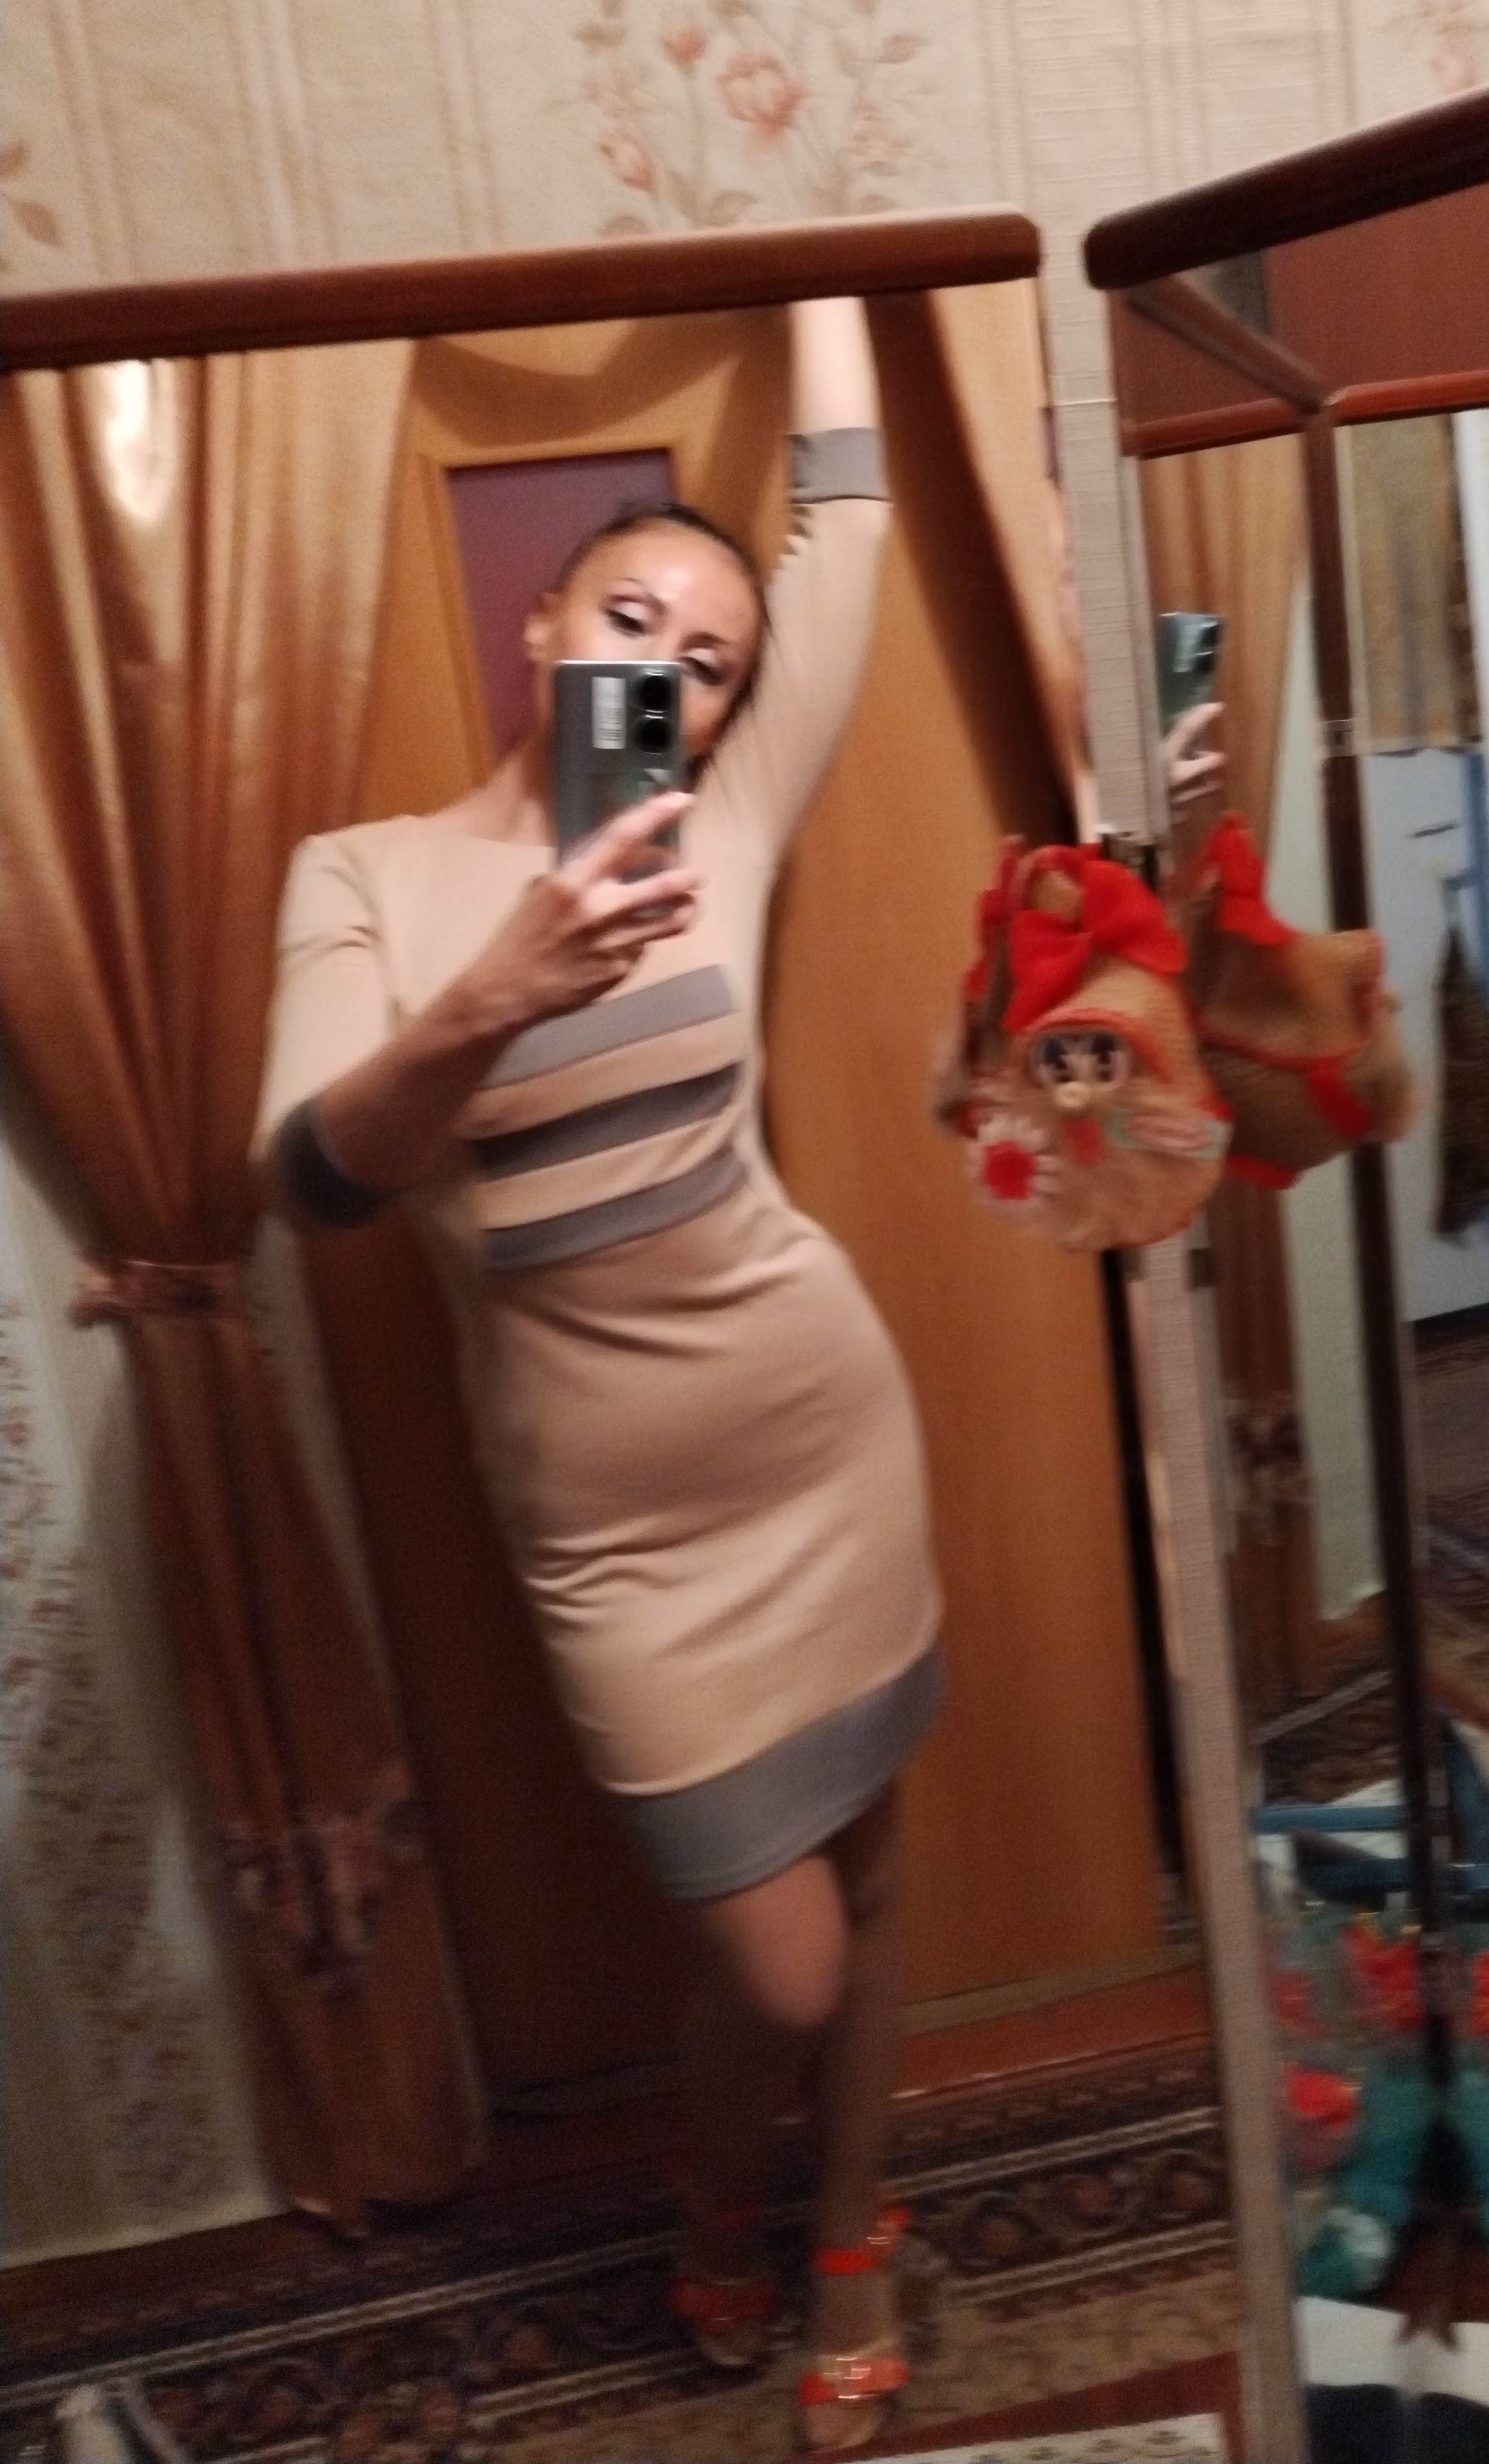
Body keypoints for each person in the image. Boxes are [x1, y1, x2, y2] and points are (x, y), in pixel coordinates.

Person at [255, 296, 942, 2455]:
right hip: (619, 1541)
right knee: (776, 1956)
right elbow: (315, 1180)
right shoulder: (366, 878)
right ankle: (719, 2181)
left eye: (712, 657)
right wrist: (496, 991)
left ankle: (843, 2225)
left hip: (827, 1434)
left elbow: (849, 514)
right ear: (541, 621)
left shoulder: (725, 822)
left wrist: (822, 249)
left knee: (873, 1876)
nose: (670, 668)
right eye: (631, 617)